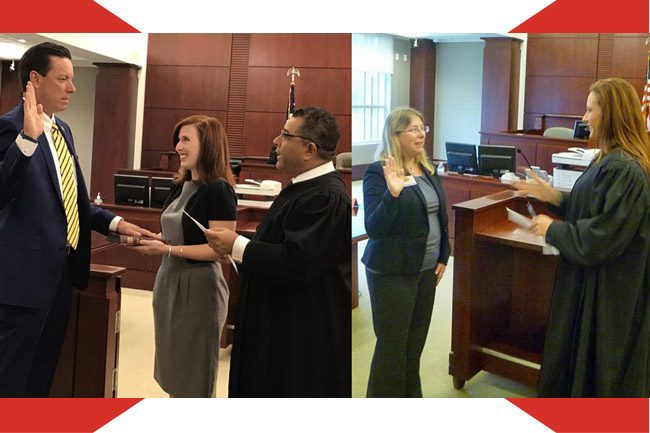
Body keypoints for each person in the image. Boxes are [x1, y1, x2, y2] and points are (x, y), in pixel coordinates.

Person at [0, 42, 154, 397]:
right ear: (35, 79)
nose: (73, 87)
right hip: (21, 284)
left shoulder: (63, 131)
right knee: (10, 379)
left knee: (41, 374)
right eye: (64, 79)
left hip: (60, 278)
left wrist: (114, 223)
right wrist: (26, 141)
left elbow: (70, 200)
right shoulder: (10, 129)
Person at [514, 78, 650, 397]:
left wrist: (553, 228)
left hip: (609, 294)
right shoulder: (608, 159)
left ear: (612, 113)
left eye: (590, 110)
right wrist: (556, 198)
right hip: (590, 282)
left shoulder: (625, 169)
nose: (584, 118)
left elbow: (603, 235)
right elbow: (595, 207)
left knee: (599, 376)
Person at [205, 107, 351, 397]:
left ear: (309, 149)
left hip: (298, 338)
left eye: (285, 135)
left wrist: (236, 245)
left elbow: (297, 262)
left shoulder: (325, 197)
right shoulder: (303, 188)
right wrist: (235, 251)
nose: (275, 141)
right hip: (276, 324)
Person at [133, 115, 237, 397]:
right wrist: (158, 240)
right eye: (178, 140)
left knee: (194, 377)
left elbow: (220, 250)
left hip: (199, 288)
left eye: (186, 139)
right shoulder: (179, 184)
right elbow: (178, 232)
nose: (178, 146)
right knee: (174, 370)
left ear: (208, 145)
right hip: (168, 282)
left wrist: (168, 249)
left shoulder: (219, 190)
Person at [361, 107, 451, 397]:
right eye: (413, 128)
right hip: (392, 271)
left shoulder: (427, 168)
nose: (421, 133)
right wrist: (394, 193)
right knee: (392, 349)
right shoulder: (378, 171)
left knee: (413, 347)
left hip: (426, 271)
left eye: (422, 127)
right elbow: (374, 226)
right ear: (395, 134)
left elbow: (438, 215)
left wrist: (443, 255)